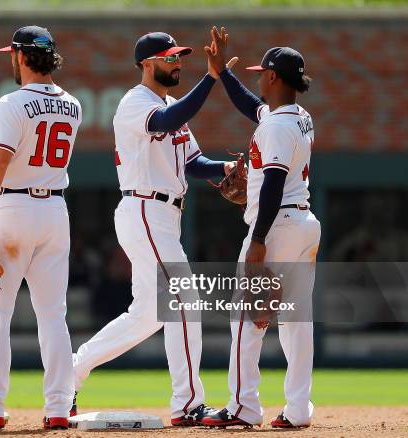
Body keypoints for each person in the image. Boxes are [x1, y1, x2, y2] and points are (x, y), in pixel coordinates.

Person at [72, 31, 238, 426]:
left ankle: (70, 372)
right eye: (169, 57)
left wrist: (228, 168)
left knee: (147, 315)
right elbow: (167, 120)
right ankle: (188, 405)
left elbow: (194, 164)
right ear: (147, 64)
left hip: (164, 216)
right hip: (144, 207)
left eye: (179, 56)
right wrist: (211, 78)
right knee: (185, 300)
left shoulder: (171, 105)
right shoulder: (135, 102)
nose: (177, 62)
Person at [0, 26, 82, 431]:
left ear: (22, 57)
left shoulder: (11, 102)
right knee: (53, 314)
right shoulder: (73, 104)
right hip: (54, 210)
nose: (12, 59)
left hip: (11, 208)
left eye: (14, 53)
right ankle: (60, 407)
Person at [202, 27, 320, 428]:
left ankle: (242, 407)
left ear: (273, 77)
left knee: (246, 318)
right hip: (303, 223)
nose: (257, 78)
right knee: (297, 319)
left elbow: (270, 184)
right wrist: (221, 74)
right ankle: (299, 409)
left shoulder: (276, 126)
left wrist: (257, 240)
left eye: (260, 73)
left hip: (278, 225)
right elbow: (253, 106)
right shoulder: (298, 116)